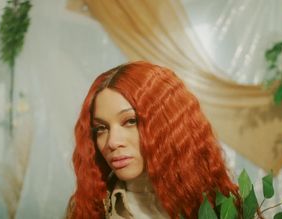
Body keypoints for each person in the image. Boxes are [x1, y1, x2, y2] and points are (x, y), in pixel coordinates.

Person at [66, 61, 242, 219]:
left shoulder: (218, 203)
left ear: (167, 124)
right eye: (101, 128)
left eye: (130, 121)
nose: (112, 142)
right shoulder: (88, 210)